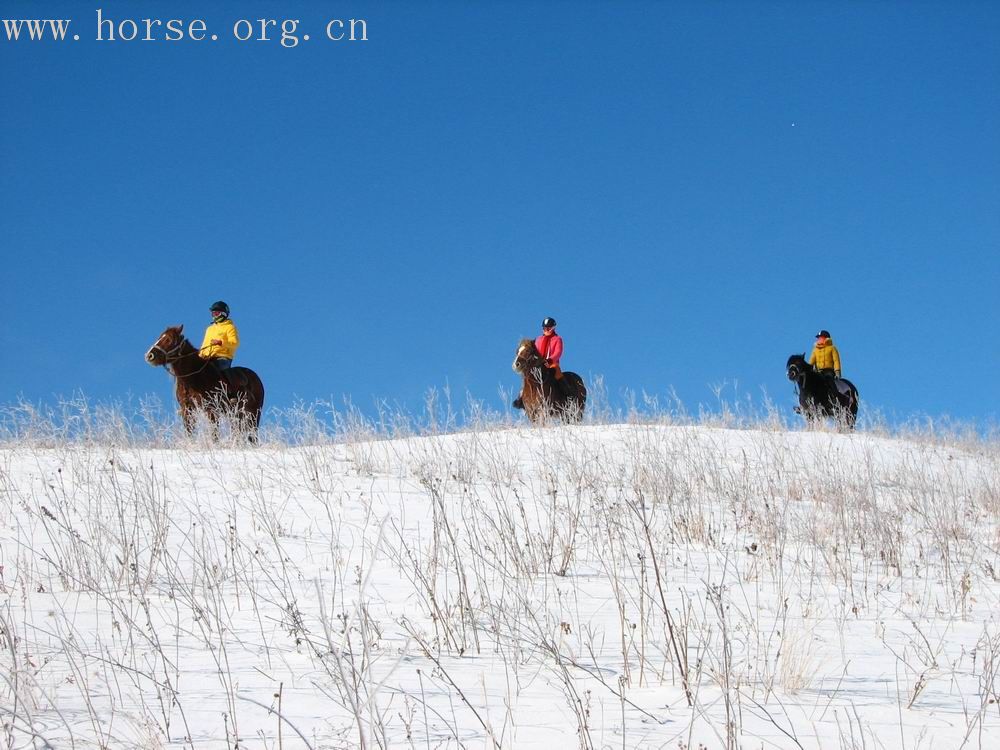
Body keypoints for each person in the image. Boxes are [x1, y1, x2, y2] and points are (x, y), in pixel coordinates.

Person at [200, 300, 240, 371]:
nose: (214, 316)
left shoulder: (230, 327)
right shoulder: (209, 329)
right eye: (213, 314)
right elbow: (204, 344)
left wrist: (221, 342)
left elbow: (235, 343)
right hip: (207, 357)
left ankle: (222, 382)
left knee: (214, 369)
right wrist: (199, 355)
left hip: (222, 357)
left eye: (217, 313)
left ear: (224, 314)